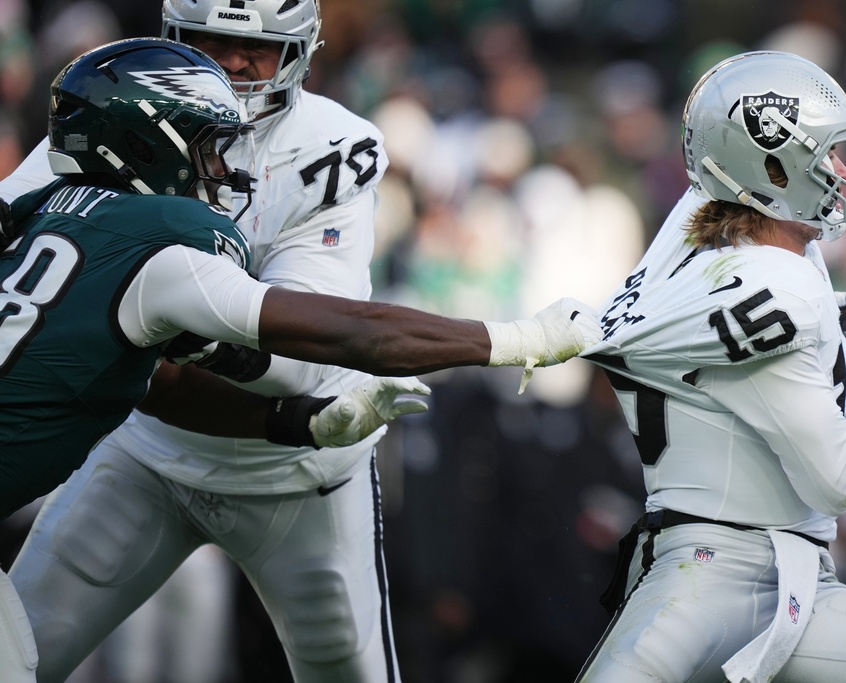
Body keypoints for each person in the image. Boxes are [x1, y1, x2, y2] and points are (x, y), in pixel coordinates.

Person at [0, 36, 599, 682]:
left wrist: (300, 424)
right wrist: (517, 340)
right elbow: (346, 334)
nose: (227, 169)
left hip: (284, 470)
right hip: (151, 459)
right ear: (149, 148)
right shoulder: (163, 257)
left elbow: (152, 383)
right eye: (207, 146)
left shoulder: (44, 206)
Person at [575, 51, 846, 683]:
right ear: (771, 165)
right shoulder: (777, 279)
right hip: (706, 568)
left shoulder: (730, 246)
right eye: (824, 153)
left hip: (796, 572)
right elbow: (836, 479)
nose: (841, 171)